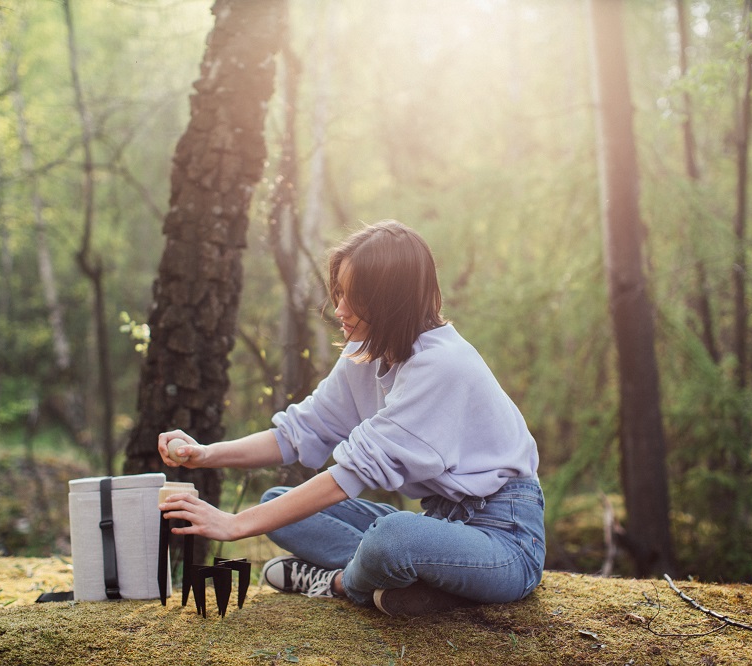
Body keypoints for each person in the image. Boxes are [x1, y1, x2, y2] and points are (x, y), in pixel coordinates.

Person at [157, 220, 545, 616]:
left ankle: (340, 582)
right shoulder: (367, 353)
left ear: (391, 301)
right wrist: (204, 454)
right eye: (339, 292)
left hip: (506, 541)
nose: (339, 309)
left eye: (354, 297)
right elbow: (298, 432)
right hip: (442, 523)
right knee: (278, 506)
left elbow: (350, 476)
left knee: (394, 538)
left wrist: (235, 525)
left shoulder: (442, 365)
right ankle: (406, 583)